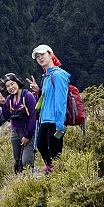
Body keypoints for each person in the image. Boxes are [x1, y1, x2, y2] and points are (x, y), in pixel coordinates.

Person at [31, 44, 69, 174]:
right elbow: (49, 96)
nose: (40, 58)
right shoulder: (47, 76)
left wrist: (59, 123)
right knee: (41, 146)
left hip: (55, 120)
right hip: (45, 118)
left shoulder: (58, 75)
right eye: (37, 57)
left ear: (51, 54)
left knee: (55, 151)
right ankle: (51, 170)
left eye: (43, 55)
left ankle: (59, 176)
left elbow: (61, 100)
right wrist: (39, 91)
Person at [0, 72, 37, 173]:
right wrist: (4, 104)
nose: (10, 87)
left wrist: (27, 136)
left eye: (12, 84)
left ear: (18, 83)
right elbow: (6, 116)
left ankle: (30, 178)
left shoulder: (28, 96)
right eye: (7, 86)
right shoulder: (9, 99)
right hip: (15, 132)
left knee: (26, 161)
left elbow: (33, 117)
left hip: (27, 131)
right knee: (17, 160)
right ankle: (19, 180)